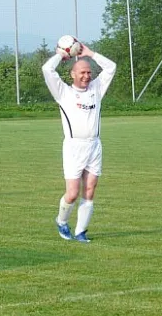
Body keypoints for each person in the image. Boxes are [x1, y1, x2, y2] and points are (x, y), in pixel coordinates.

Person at [42, 42, 116, 242]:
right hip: (74, 148)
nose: (86, 76)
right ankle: (61, 221)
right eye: (82, 72)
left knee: (90, 189)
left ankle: (81, 232)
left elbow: (111, 67)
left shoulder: (96, 89)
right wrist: (62, 54)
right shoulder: (63, 93)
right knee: (73, 194)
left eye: (89, 72)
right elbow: (47, 69)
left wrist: (90, 53)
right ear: (72, 75)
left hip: (94, 145)